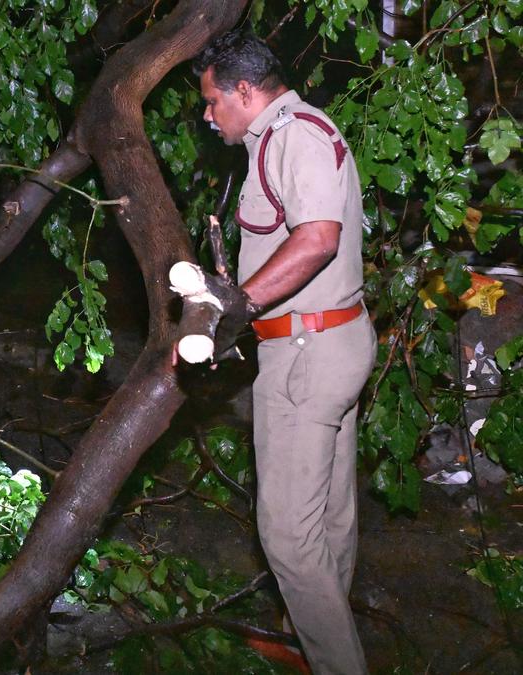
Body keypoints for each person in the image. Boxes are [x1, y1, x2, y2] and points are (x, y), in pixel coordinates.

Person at [192, 30, 375, 675]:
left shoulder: (293, 134)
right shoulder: (287, 134)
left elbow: (319, 239)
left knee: (288, 540)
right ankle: (323, 642)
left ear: (246, 91)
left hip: (308, 353)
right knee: (326, 519)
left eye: (214, 101)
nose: (208, 115)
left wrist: (236, 306)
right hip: (330, 340)